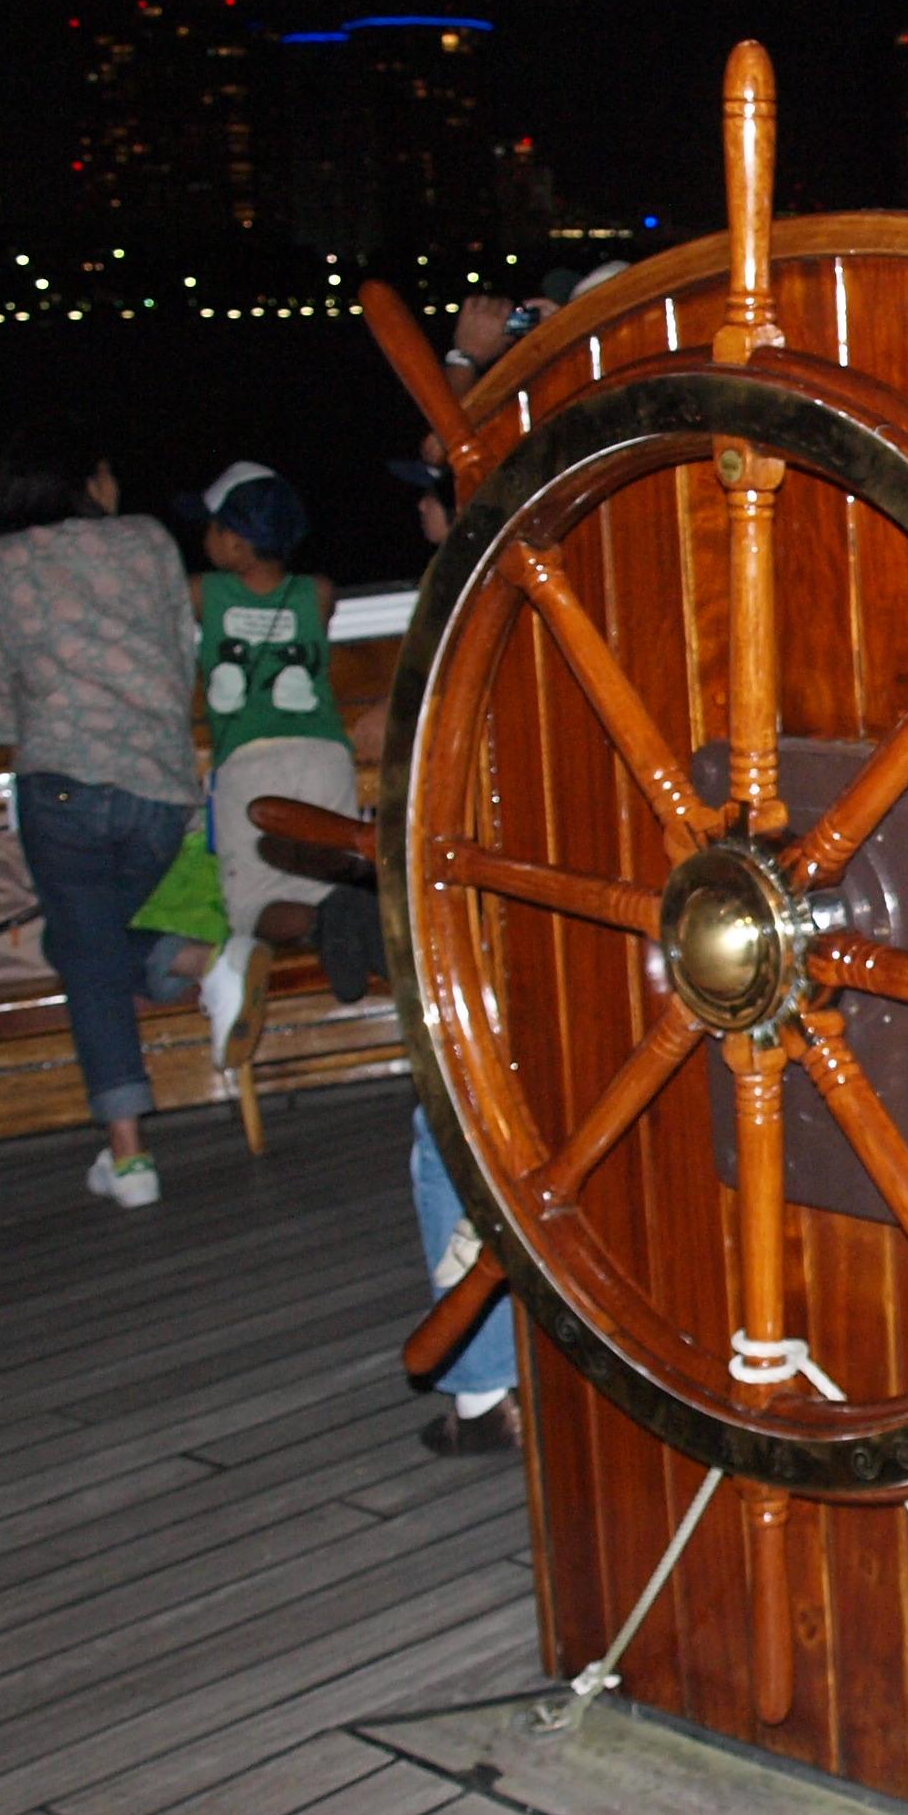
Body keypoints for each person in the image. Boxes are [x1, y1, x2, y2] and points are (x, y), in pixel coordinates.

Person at [0, 427, 214, 1208]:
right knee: (91, 946)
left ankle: (130, 1158)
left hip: (62, 787)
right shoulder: (147, 541)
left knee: (87, 953)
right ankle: (191, 956)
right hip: (158, 788)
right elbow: (181, 660)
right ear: (87, 480)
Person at [347, 464, 521, 1455]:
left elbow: (397, 731)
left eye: (434, 481)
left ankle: (484, 1391)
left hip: (489, 909)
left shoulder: (461, 593)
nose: (420, 502)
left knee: (446, 1131)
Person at [186, 461, 361, 1088]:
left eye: (212, 528)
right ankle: (342, 911)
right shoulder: (318, 592)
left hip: (250, 763)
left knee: (253, 904)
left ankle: (323, 923)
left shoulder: (202, 592)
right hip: (323, 754)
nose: (204, 537)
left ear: (235, 542)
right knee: (327, 872)